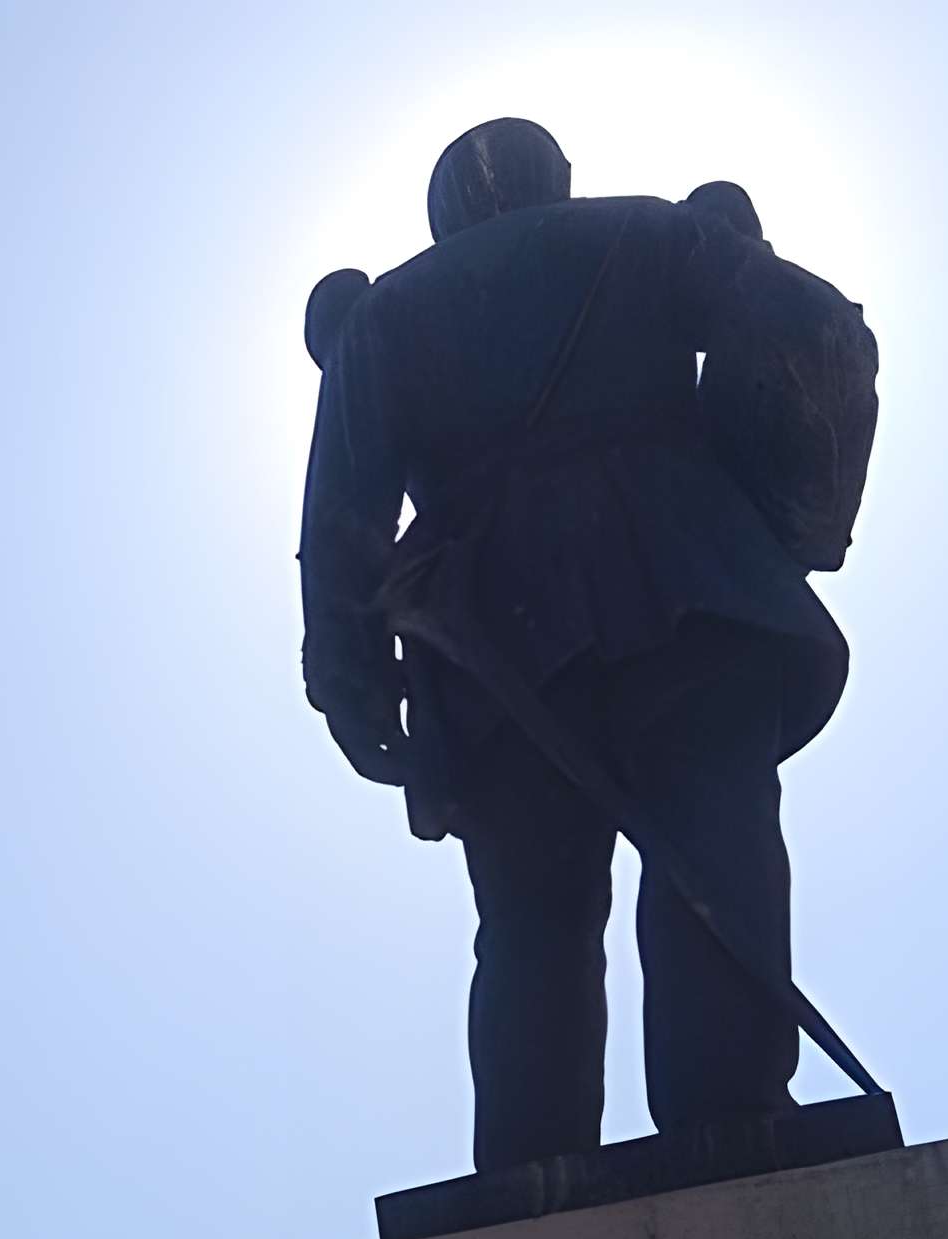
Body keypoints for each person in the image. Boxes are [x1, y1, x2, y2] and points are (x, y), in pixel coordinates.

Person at [300, 120, 867, 1173]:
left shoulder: (382, 317)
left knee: (531, 927)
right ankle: (730, 1125)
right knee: (715, 854)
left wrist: (353, 697)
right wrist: (788, 512)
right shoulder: (645, 236)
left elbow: (338, 531)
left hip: (498, 654)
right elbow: (813, 328)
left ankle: (526, 1172)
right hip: (691, 590)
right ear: (556, 181)